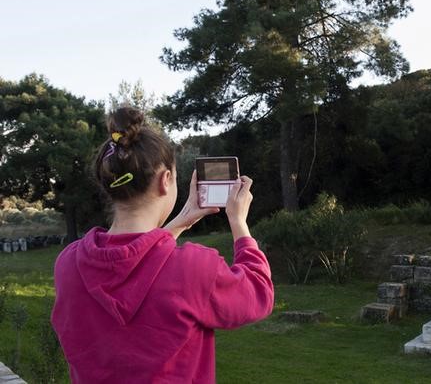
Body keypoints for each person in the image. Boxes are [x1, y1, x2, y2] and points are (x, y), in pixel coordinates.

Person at [51, 106, 274, 383]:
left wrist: (179, 222)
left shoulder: (68, 265)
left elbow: (130, 262)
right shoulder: (194, 270)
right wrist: (239, 223)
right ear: (166, 181)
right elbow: (257, 294)